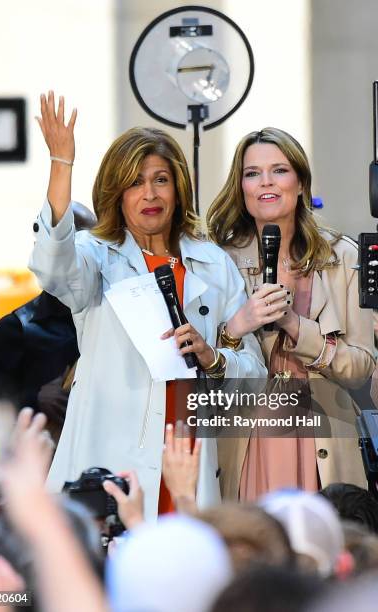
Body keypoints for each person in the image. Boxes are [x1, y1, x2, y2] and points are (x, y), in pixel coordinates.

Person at [29, 91, 266, 520]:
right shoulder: (96, 255)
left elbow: (255, 376)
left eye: (160, 179)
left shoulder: (212, 263)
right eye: (135, 182)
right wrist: (61, 164)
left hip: (188, 455)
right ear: (116, 193)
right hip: (108, 453)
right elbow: (54, 267)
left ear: (178, 187)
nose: (149, 193)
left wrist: (214, 359)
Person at [207, 127, 375, 500]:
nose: (266, 182)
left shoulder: (343, 257)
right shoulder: (218, 262)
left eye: (279, 170)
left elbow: (362, 367)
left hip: (323, 440)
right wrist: (236, 329)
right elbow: (201, 370)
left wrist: (296, 327)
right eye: (252, 173)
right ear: (241, 187)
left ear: (300, 183)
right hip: (248, 439)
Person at [0, 202, 97, 431]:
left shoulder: (110, 322)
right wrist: (33, 401)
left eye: (92, 245)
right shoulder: (14, 331)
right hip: (36, 464)